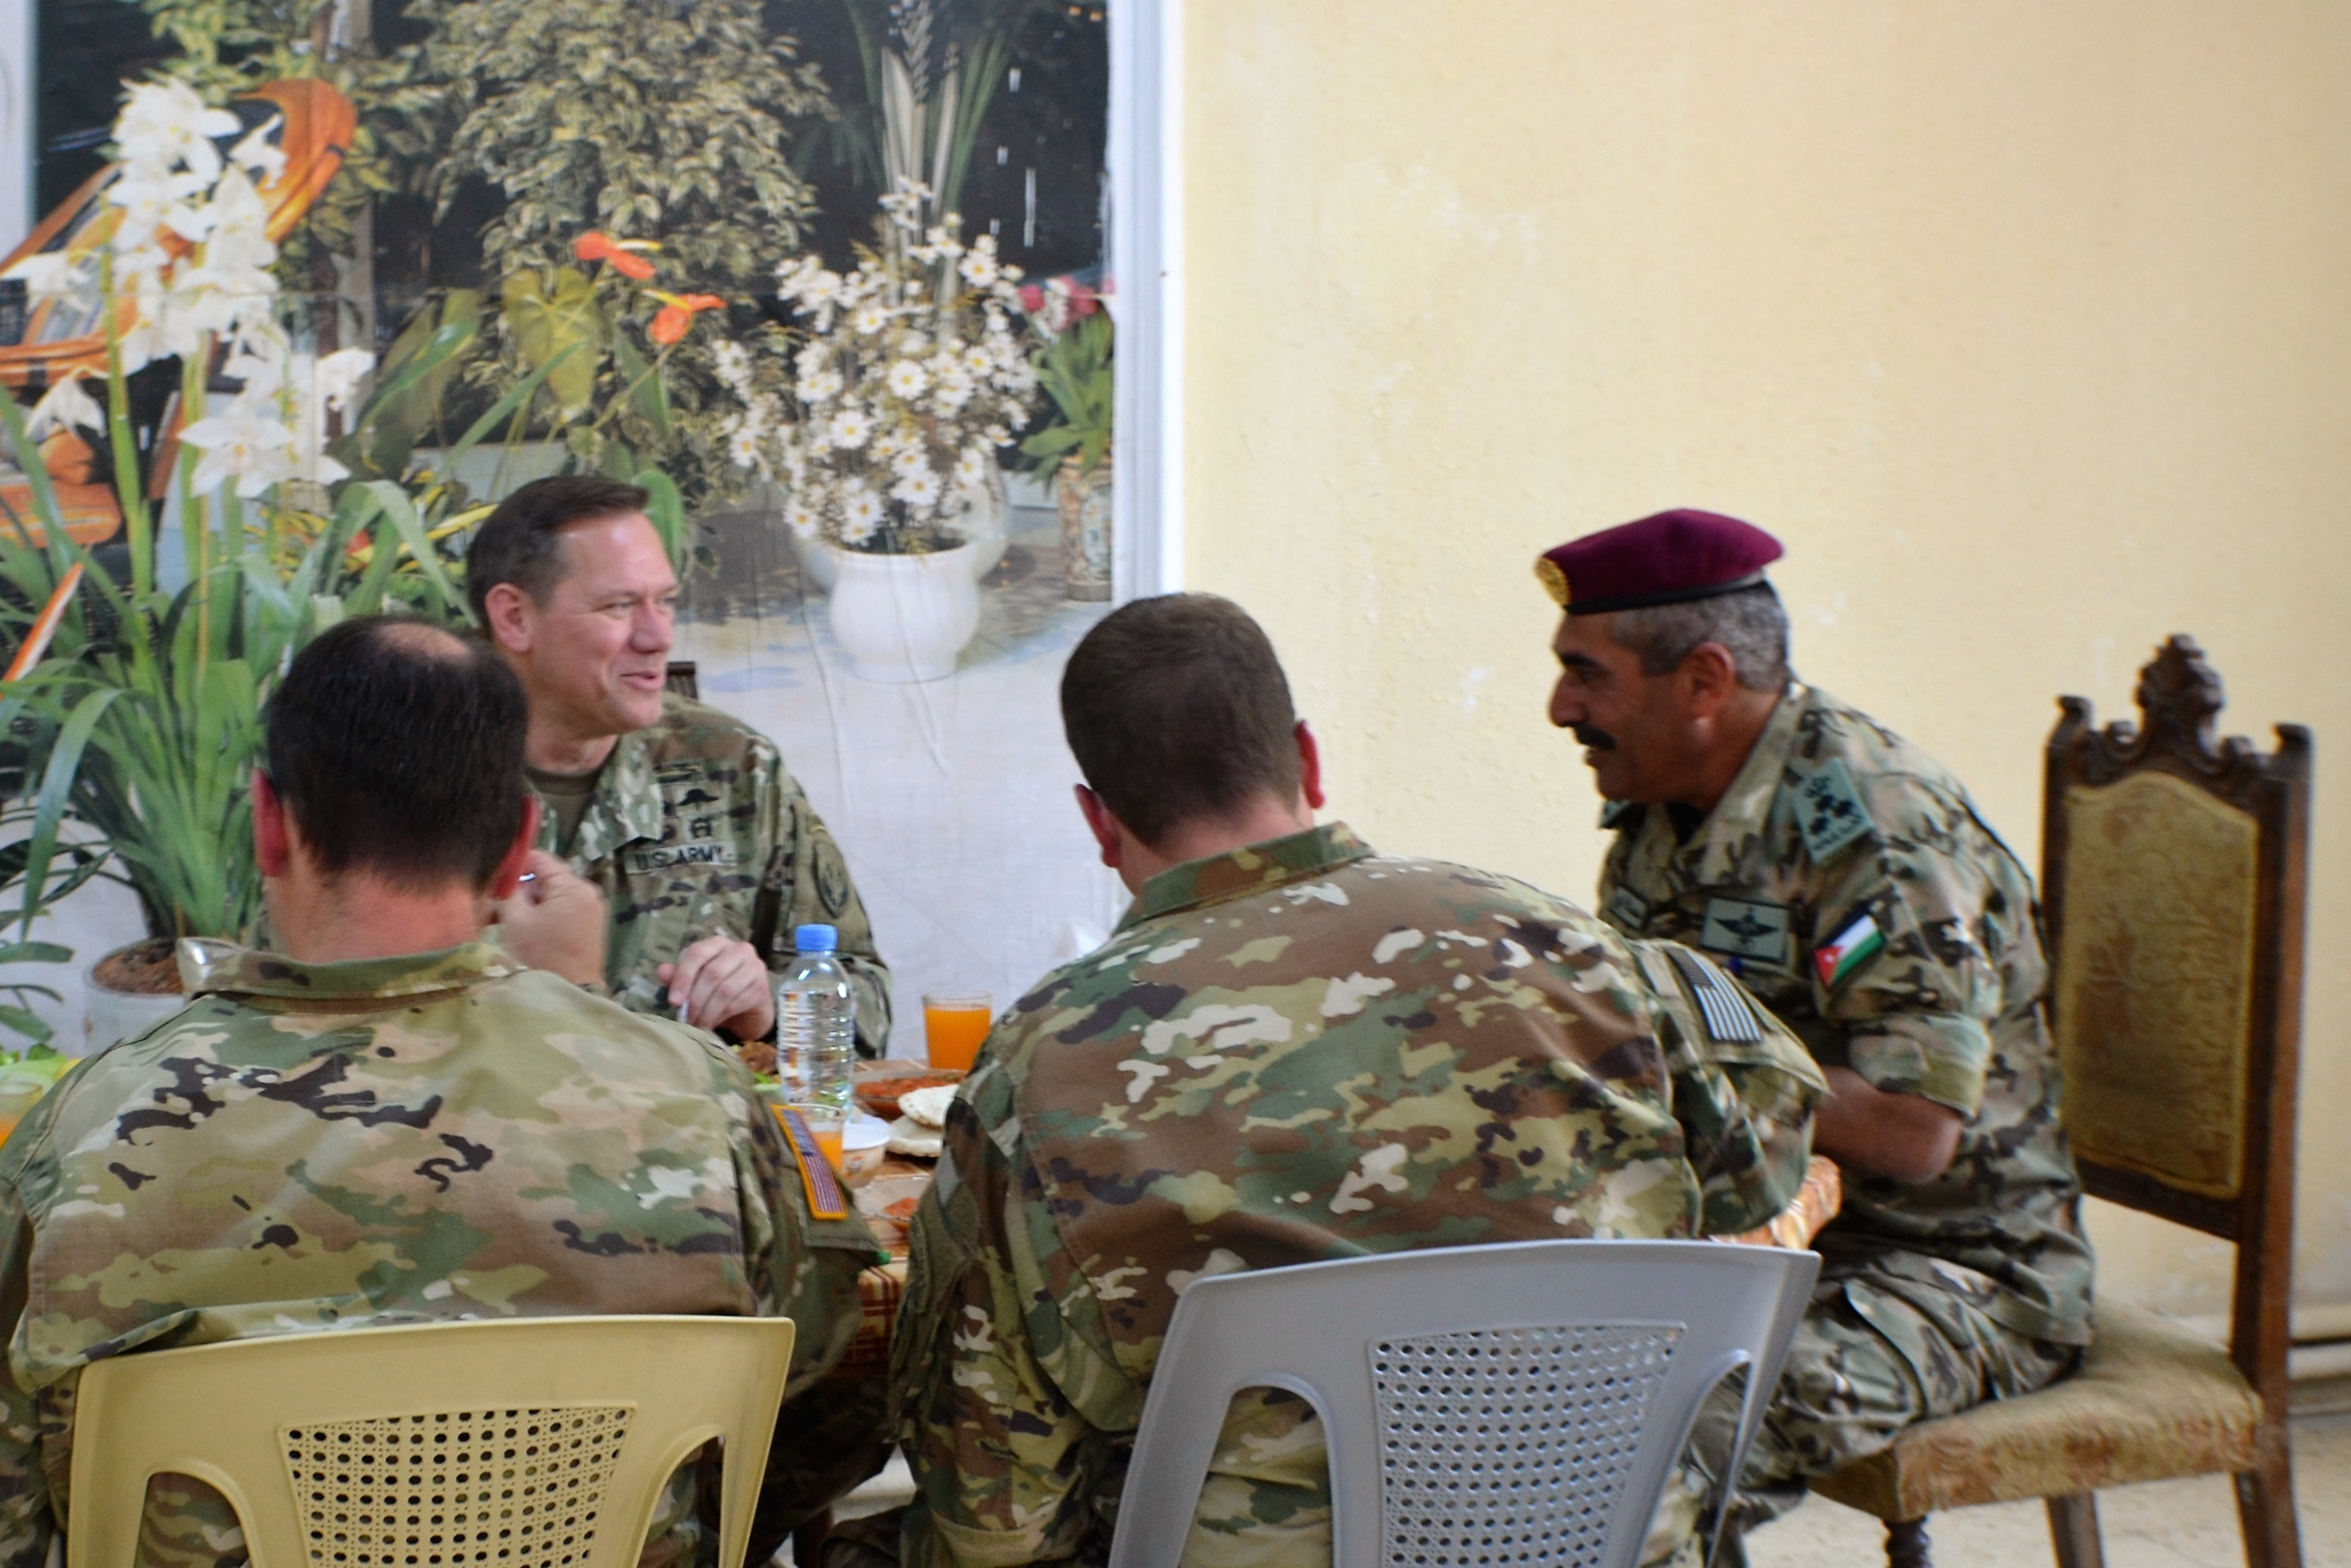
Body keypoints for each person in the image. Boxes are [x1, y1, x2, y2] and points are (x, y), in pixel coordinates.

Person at [844, 592, 1826, 1568]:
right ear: (1307, 758)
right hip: (1611, 1538)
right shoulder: (1577, 946)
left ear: (1100, 822)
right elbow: (1766, 1167)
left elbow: (991, 1514)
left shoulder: (1041, 1060)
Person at [0, 617, 888, 1566]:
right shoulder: (708, 1102)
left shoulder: (81, 1136)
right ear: (518, 843)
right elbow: (847, 1379)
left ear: (268, 822)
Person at [1535, 508, 2093, 1554]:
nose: (1561, 705)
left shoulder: (1880, 830)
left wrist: (1689, 1063)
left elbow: (1913, 1130)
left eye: (1587, 673)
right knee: (1497, 1360)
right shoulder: (1664, 804)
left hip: (1952, 1269)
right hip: (1763, 1235)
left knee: (1660, 1438)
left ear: (1703, 682)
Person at [473, 474, 891, 1053]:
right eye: (619, 606)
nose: (657, 636)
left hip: (699, 1137)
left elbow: (865, 1006)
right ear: (515, 617)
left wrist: (768, 1004)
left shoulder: (733, 767)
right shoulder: (413, 779)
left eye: (664, 602)